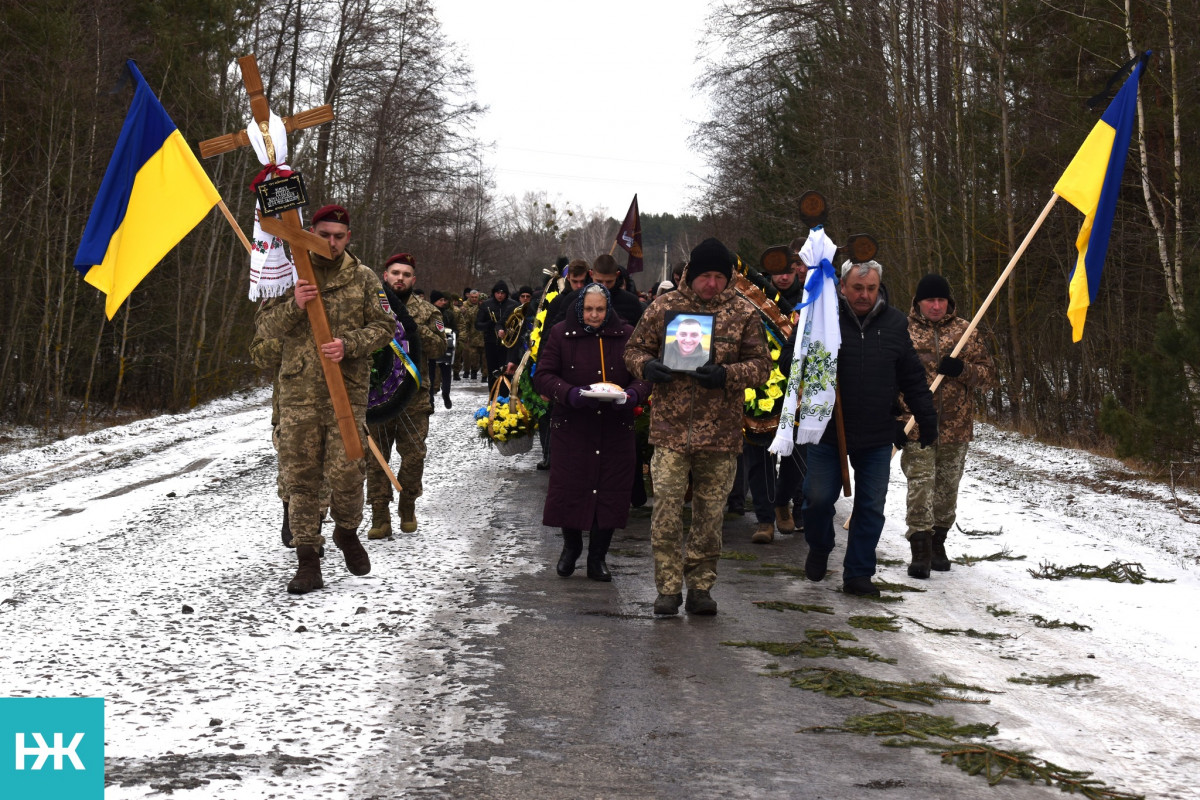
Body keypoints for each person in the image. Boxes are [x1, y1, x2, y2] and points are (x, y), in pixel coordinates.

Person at [625, 238, 770, 616]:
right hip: (671, 431)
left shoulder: (744, 313)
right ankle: (668, 588)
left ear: (729, 278)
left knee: (710, 516)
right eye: (705, 275)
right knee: (667, 512)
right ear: (691, 274)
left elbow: (761, 366)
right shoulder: (665, 306)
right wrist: (647, 367)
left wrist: (727, 374)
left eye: (719, 277)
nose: (712, 284)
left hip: (720, 435)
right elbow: (633, 350)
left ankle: (701, 587)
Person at [254, 204, 394, 594]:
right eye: (323, 234)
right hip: (299, 395)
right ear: (310, 233)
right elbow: (264, 328)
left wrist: (349, 344)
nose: (330, 242)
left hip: (346, 393)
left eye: (338, 236)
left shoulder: (363, 278)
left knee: (349, 474)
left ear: (349, 238)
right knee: (301, 481)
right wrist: (295, 305)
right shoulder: (290, 274)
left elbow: (385, 327)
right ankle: (307, 560)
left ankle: (346, 531)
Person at [802, 259, 938, 596]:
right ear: (843, 287)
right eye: (857, 287)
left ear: (879, 289)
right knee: (817, 499)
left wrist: (926, 417)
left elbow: (911, 377)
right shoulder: (824, 320)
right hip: (828, 430)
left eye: (871, 288)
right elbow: (794, 362)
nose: (864, 295)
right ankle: (820, 545)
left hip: (877, 432)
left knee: (871, 506)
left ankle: (858, 574)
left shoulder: (894, 324)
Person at [534, 284, 652, 581]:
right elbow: (544, 375)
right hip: (573, 425)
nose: (594, 315)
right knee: (571, 487)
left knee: (610, 491)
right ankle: (571, 547)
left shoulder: (626, 335)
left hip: (614, 427)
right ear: (579, 308)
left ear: (608, 308)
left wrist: (632, 395)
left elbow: (643, 375)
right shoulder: (562, 333)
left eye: (600, 309)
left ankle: (598, 557)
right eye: (589, 309)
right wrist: (569, 393)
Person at [899, 274, 997, 578]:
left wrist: (963, 370)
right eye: (930, 300)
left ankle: (938, 542)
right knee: (920, 485)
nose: (937, 305)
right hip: (915, 422)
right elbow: (889, 372)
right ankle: (920, 549)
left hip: (956, 425)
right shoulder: (903, 331)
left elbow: (989, 376)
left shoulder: (966, 331)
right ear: (918, 302)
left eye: (941, 300)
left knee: (946, 490)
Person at [366, 253, 446, 538]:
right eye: (395, 273)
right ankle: (379, 515)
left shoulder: (427, 311)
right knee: (376, 457)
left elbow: (438, 348)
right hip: (377, 396)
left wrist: (409, 324)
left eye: (406, 274)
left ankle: (408, 503)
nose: (400, 278)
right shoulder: (369, 304)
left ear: (414, 279)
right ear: (384, 275)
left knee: (414, 456)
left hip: (414, 395)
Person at [746, 255, 809, 544]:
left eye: (788, 271)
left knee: (798, 453)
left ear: (797, 270)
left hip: (798, 386)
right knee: (760, 456)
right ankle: (764, 519)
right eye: (777, 272)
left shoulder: (810, 299)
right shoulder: (755, 297)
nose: (783, 277)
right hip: (761, 385)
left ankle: (783, 501)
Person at [548, 254, 644, 328]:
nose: (604, 286)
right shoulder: (573, 299)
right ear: (591, 274)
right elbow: (551, 336)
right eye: (599, 281)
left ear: (617, 275)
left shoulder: (631, 302)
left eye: (609, 281)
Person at [476, 281, 517, 389]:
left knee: (507, 370)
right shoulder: (486, 305)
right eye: (498, 293)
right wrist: (489, 324)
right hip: (491, 342)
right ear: (494, 293)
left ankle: (505, 396)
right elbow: (477, 324)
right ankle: (493, 395)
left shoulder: (513, 304)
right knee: (493, 370)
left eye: (502, 293)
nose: (500, 295)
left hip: (508, 344)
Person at [429, 290, 456, 410]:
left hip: (446, 345)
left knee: (446, 372)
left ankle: (446, 394)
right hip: (431, 345)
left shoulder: (449, 314)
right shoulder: (428, 312)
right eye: (440, 300)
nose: (443, 302)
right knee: (430, 374)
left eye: (444, 300)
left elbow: (455, 328)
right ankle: (430, 399)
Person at [460, 290, 485, 381]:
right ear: (469, 297)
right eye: (472, 297)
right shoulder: (465, 306)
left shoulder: (486, 308)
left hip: (484, 336)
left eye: (476, 297)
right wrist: (465, 336)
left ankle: (484, 375)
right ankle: (469, 371)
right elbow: (466, 323)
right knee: (470, 356)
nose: (474, 299)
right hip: (472, 336)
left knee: (484, 358)